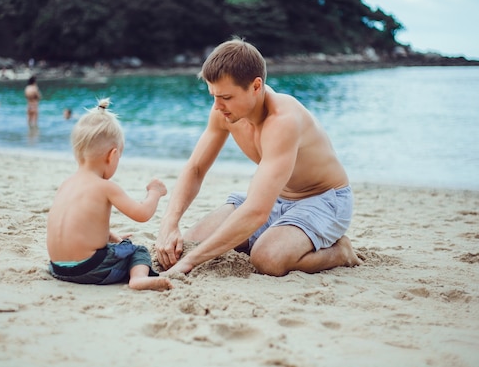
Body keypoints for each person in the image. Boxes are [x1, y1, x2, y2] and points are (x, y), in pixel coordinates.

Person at [156, 38, 362, 277]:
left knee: (267, 259)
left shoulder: (283, 121)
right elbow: (196, 169)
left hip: (323, 200)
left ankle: (341, 252)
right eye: (213, 96)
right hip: (276, 198)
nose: (217, 106)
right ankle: (268, 237)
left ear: (256, 86)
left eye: (226, 97)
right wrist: (169, 223)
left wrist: (189, 263)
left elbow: (256, 210)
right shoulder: (223, 112)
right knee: (187, 244)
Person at [47, 98, 172, 291]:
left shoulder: (66, 185)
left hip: (58, 268)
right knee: (137, 251)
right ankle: (138, 279)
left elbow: (80, 224)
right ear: (112, 155)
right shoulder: (105, 186)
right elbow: (142, 214)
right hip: (89, 268)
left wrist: (112, 236)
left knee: (118, 245)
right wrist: (154, 193)